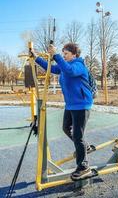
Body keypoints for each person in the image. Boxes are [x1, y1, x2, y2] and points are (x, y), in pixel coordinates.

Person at [31, 43, 93, 180]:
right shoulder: (64, 66)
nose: (64, 56)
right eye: (63, 53)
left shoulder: (78, 65)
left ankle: (84, 167)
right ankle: (85, 147)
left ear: (74, 54)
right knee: (66, 128)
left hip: (82, 105)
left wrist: (56, 55)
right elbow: (52, 68)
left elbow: (70, 71)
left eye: (66, 54)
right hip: (71, 105)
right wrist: (36, 58)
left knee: (78, 135)